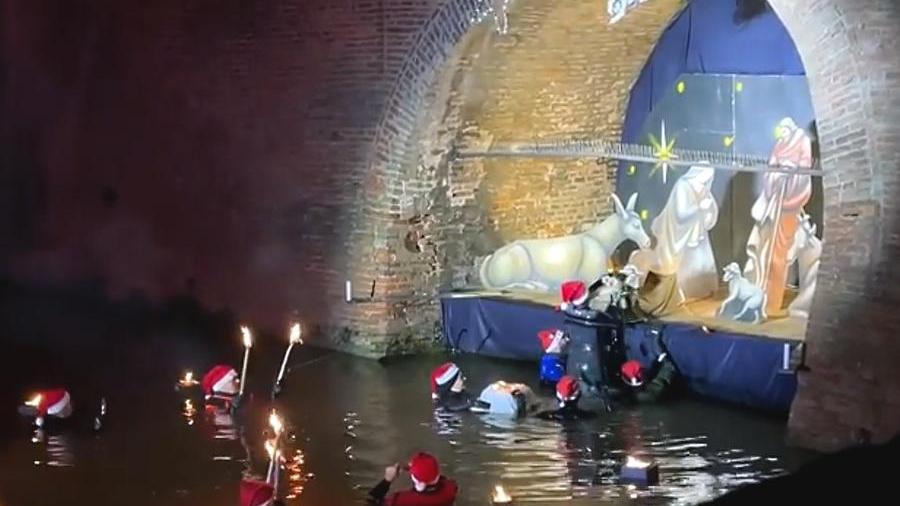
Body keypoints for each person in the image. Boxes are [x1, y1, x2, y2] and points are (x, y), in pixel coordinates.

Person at [743, 117, 814, 313]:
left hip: (788, 205)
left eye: (784, 130)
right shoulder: (779, 144)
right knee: (764, 249)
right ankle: (760, 292)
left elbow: (805, 169)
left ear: (790, 129)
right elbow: (770, 169)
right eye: (779, 131)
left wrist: (791, 172)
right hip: (774, 203)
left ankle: (773, 299)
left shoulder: (802, 141)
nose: (781, 134)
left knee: (779, 252)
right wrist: (777, 174)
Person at [630, 164, 719, 302]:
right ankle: (681, 291)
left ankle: (700, 290)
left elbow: (710, 211)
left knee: (699, 261)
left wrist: (708, 208)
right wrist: (699, 208)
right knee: (677, 264)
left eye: (708, 180)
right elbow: (681, 215)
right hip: (679, 236)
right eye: (704, 180)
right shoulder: (683, 186)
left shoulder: (703, 188)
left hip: (696, 235)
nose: (705, 184)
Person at [367, 452, 458, 506]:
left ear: (417, 482)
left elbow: (371, 501)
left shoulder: (400, 501)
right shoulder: (451, 488)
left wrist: (387, 480)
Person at [17, 388, 107, 431]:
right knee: (77, 412)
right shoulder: (40, 399)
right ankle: (95, 410)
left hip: (61, 407)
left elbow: (40, 414)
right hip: (65, 399)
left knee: (74, 420)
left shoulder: (41, 407)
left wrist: (39, 422)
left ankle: (94, 422)